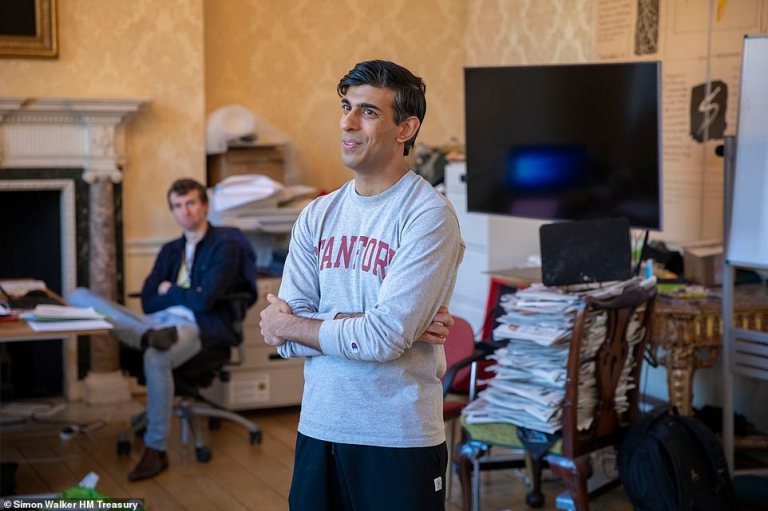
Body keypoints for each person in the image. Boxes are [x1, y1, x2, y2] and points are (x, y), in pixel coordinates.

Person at [259, 60, 465, 511]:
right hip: (319, 427)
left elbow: (380, 337)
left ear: (405, 128)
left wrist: (297, 325)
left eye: (368, 112)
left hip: (398, 438)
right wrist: (366, 325)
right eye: (346, 106)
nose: (347, 123)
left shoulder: (429, 216)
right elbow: (286, 344)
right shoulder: (317, 214)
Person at [68, 178, 257, 482]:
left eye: (192, 203)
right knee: (78, 295)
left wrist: (169, 290)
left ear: (205, 206)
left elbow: (204, 300)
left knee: (157, 356)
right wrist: (178, 293)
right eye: (178, 206)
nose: (186, 212)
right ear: (173, 210)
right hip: (156, 324)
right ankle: (143, 335)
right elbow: (147, 300)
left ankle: (155, 449)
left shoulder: (227, 243)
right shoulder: (171, 250)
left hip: (198, 324)